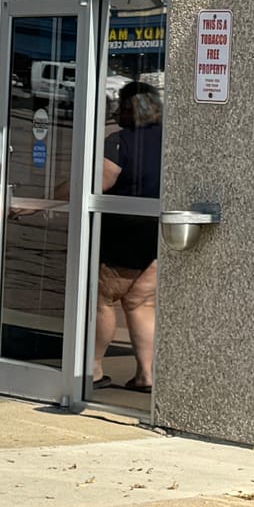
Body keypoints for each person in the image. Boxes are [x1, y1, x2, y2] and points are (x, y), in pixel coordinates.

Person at [93, 79, 161, 393]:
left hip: (125, 236)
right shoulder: (171, 140)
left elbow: (100, 183)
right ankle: (146, 376)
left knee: (102, 301)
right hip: (158, 236)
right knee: (139, 302)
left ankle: (91, 370)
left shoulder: (120, 141)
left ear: (126, 108)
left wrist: (47, 200)